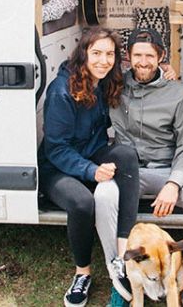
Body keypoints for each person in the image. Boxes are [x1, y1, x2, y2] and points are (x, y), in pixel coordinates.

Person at [95, 27, 183, 307]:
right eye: (137, 55)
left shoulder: (179, 93)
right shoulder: (114, 85)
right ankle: (121, 277)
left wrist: (174, 184)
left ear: (161, 57)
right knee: (103, 197)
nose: (143, 62)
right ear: (128, 57)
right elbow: (85, 69)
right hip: (128, 171)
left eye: (150, 55)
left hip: (168, 168)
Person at [38, 27, 140, 307]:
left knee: (127, 156)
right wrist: (90, 171)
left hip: (91, 151)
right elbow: (56, 148)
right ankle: (82, 273)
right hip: (57, 165)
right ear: (83, 54)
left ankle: (121, 255)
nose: (103, 61)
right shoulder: (62, 90)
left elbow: (139, 76)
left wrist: (163, 68)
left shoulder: (105, 80)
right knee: (83, 202)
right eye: (96, 53)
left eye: (109, 54)